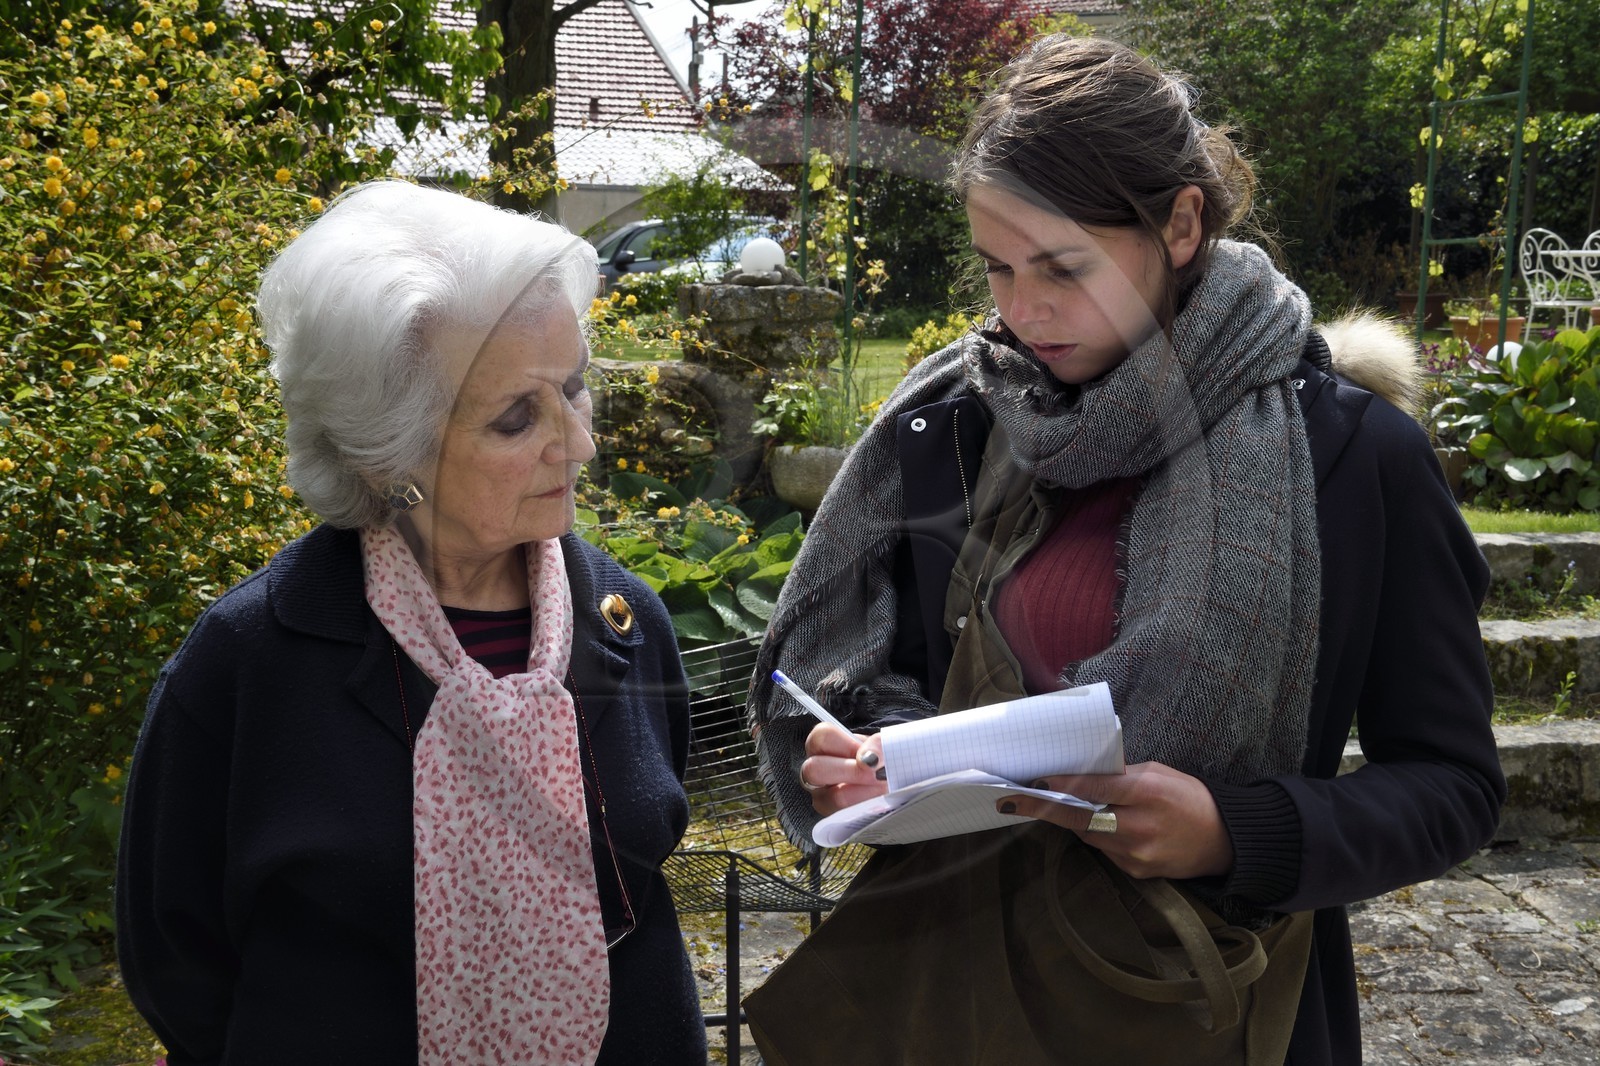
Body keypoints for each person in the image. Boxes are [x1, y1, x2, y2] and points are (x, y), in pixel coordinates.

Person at [749, 35, 1504, 1064]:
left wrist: (1239, 830)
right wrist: (874, 752)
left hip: (1203, 1006)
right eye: (998, 268)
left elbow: (1451, 785)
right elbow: (878, 673)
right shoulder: (961, 426)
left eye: (1064, 266)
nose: (1022, 310)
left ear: (1180, 222)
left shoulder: (1353, 456)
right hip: (955, 996)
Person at [116, 180, 707, 1065]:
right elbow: (175, 960)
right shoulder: (250, 664)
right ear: (388, 450)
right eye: (517, 417)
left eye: (576, 388)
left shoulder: (626, 624)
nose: (578, 443)